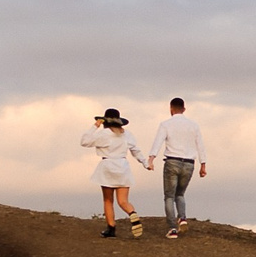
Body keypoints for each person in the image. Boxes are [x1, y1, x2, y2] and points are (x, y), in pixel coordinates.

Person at [145, 97, 210, 239]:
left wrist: (151, 159)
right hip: (189, 163)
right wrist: (203, 165)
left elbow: (158, 142)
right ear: (184, 109)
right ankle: (182, 218)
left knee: (169, 196)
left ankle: (173, 229)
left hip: (172, 161)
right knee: (180, 194)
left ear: (171, 108)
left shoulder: (166, 124)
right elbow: (200, 145)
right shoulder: (193, 125)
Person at [79, 108, 148, 238]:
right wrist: (145, 163)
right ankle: (132, 212)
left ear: (105, 121)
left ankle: (111, 228)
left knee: (108, 200)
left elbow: (84, 141)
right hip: (123, 166)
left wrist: (95, 126)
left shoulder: (104, 134)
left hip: (108, 166)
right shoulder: (127, 134)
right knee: (123, 201)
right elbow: (136, 151)